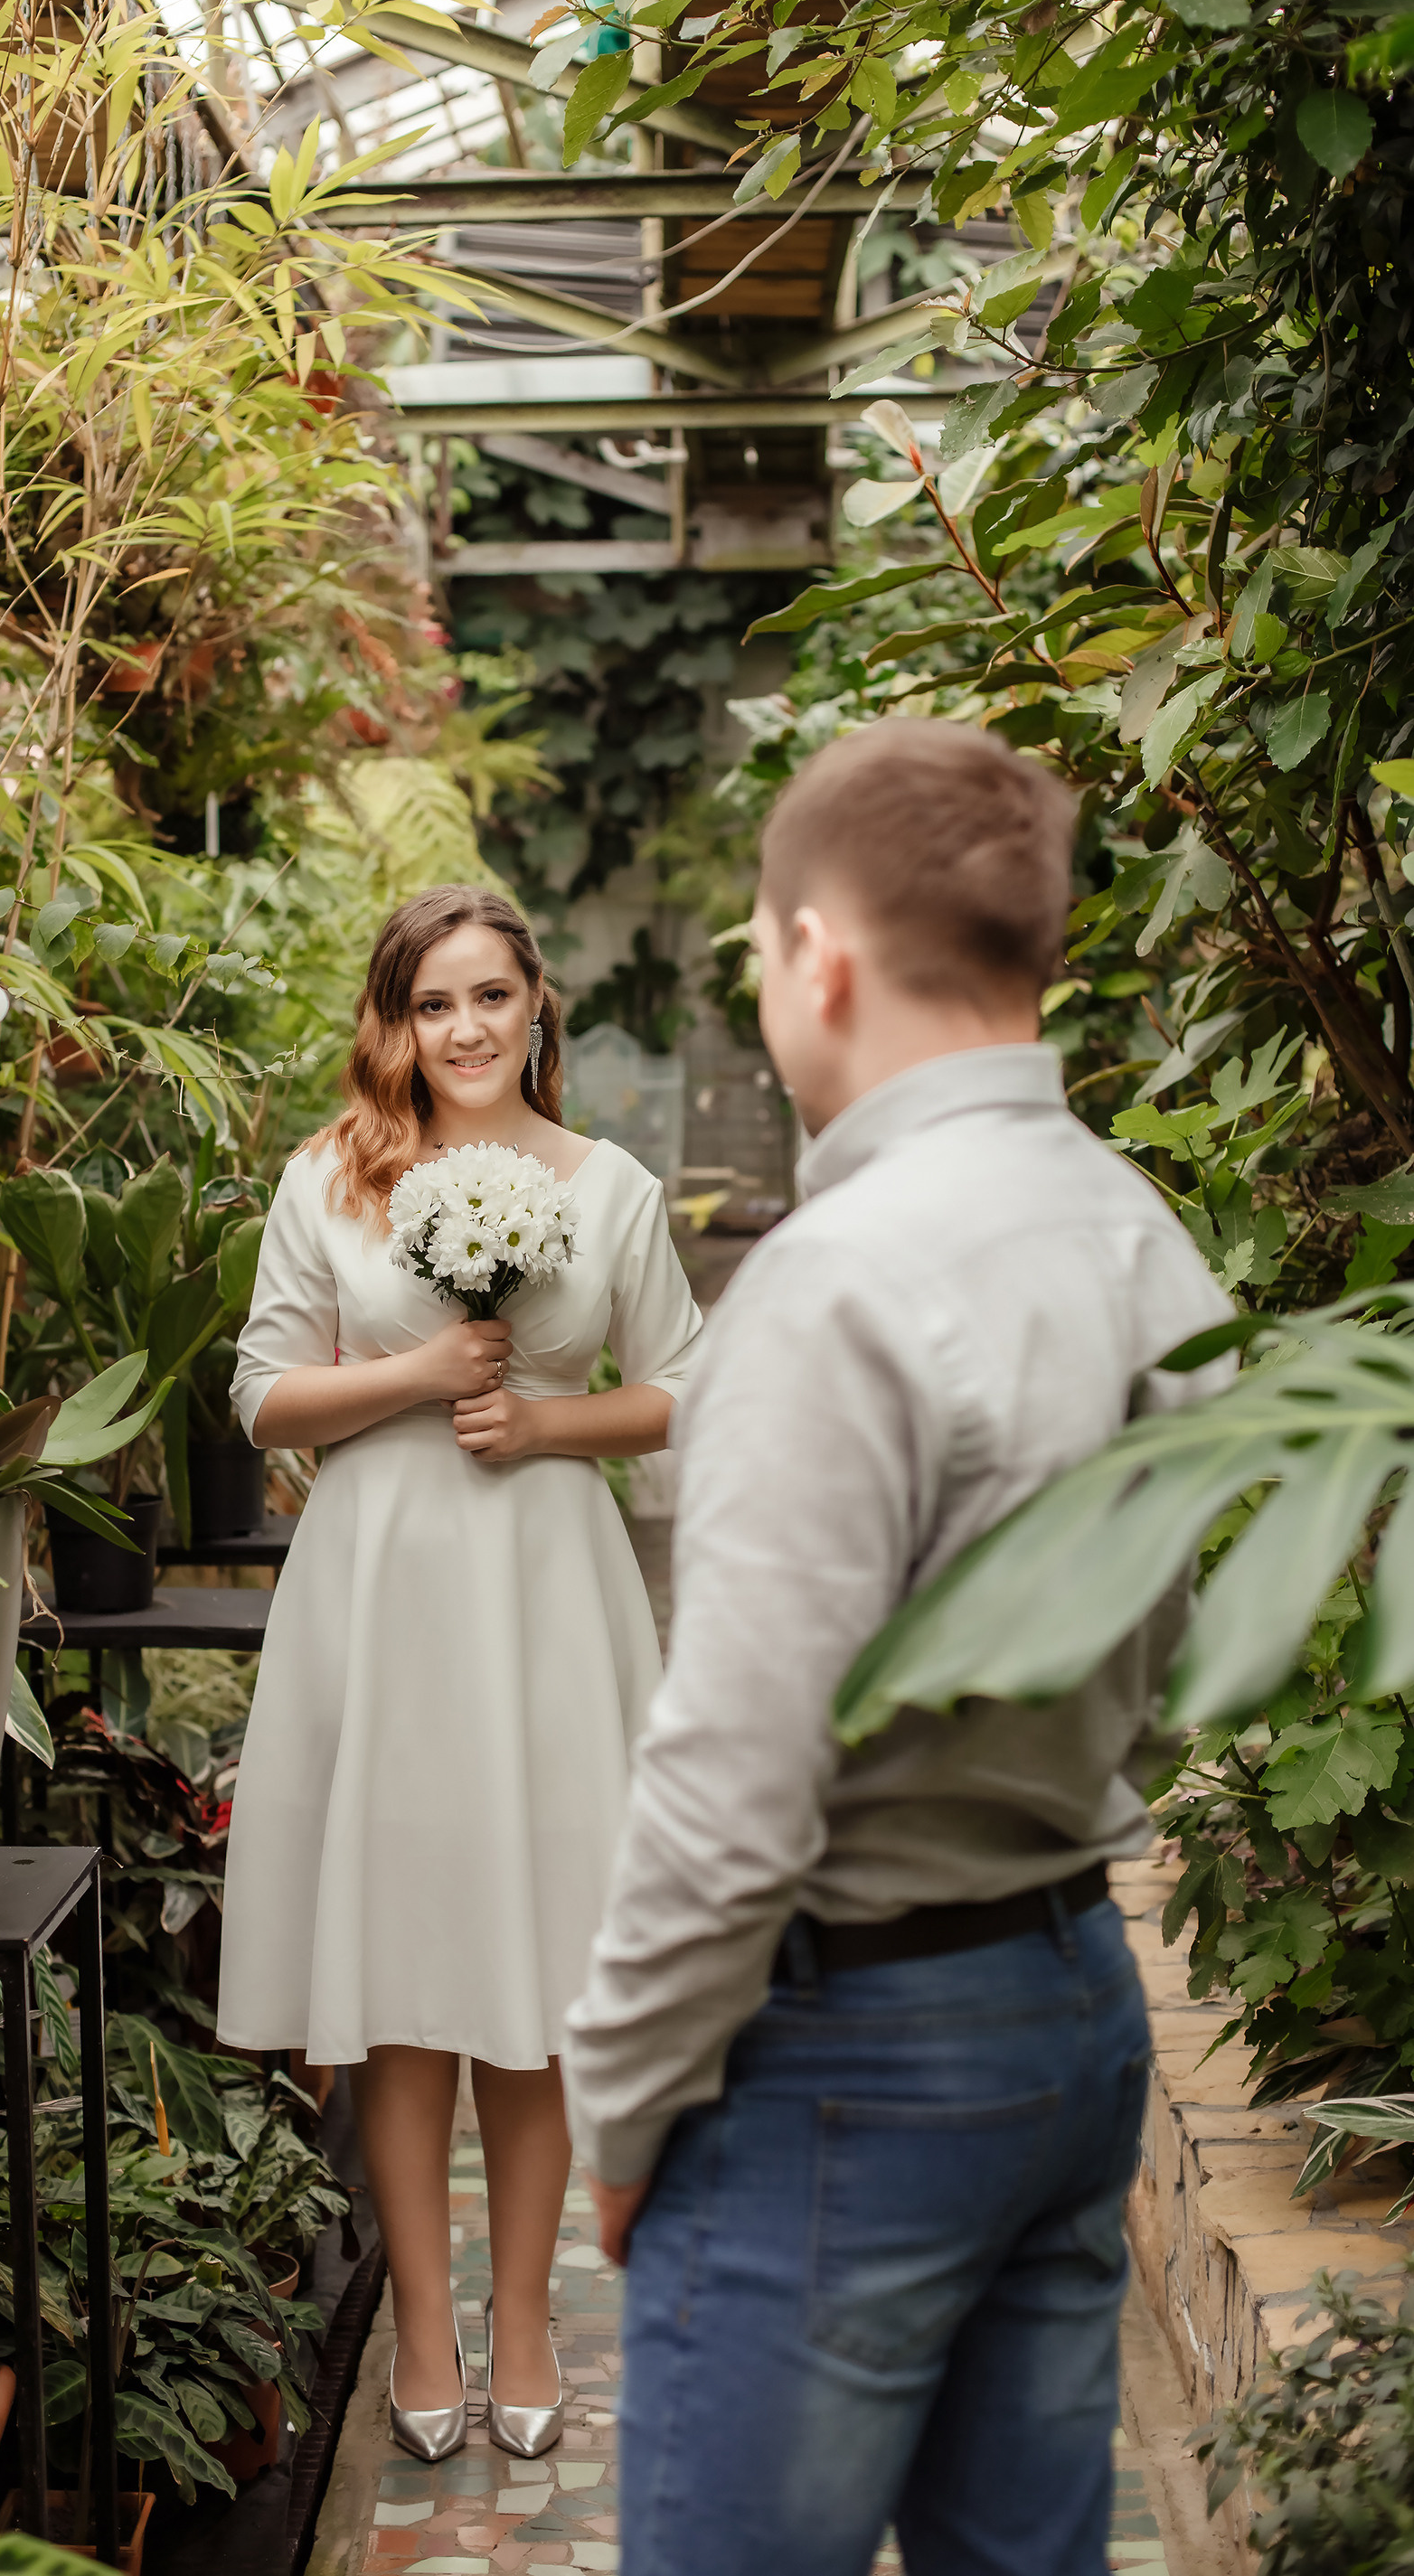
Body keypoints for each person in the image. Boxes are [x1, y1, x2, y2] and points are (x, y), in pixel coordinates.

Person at [562, 723, 1230, 2575]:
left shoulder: (833, 1278)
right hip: (1068, 1995)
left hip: (842, 2045)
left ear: (816, 953)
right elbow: (1174, 1676)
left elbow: (731, 1787)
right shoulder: (1139, 1232)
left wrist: (624, 2098)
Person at [220, 882, 702, 2466]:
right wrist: (419, 1372)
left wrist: (550, 1421)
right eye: (433, 1002)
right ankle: (423, 2323)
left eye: (491, 994)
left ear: (535, 1004)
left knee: (536, 1976)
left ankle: (524, 2316)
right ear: (397, 1023)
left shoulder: (611, 1187)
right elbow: (260, 1395)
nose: (466, 1027)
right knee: (402, 1973)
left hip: (545, 1604)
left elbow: (690, 1387)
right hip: (379, 1600)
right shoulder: (329, 1176)